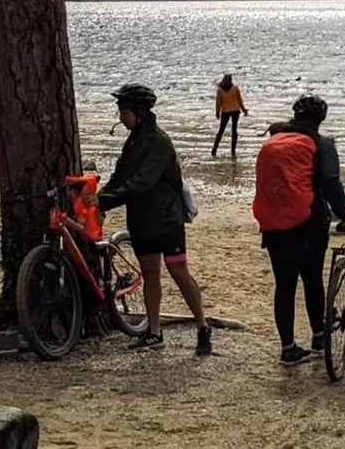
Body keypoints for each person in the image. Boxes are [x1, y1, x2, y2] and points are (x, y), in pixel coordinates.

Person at [99, 84, 213, 356]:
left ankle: (203, 326)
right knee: (150, 274)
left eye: (123, 111)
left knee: (179, 273)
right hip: (141, 221)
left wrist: (107, 200)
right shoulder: (133, 142)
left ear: (138, 112)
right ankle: (154, 332)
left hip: (167, 221)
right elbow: (120, 178)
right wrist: (99, 197)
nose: (120, 117)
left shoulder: (160, 142)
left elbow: (143, 182)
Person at [253, 93, 345, 366]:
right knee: (312, 279)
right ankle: (319, 336)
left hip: (272, 224)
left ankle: (288, 347)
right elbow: (330, 184)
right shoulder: (322, 144)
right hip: (308, 223)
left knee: (284, 285)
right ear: (321, 119)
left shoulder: (274, 141)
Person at [212, 73, 248, 158]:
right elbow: (240, 101)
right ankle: (233, 151)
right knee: (234, 131)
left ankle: (214, 148)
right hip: (235, 111)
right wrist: (244, 110)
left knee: (221, 130)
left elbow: (218, 103)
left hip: (225, 111)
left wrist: (217, 113)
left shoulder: (220, 89)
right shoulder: (235, 88)